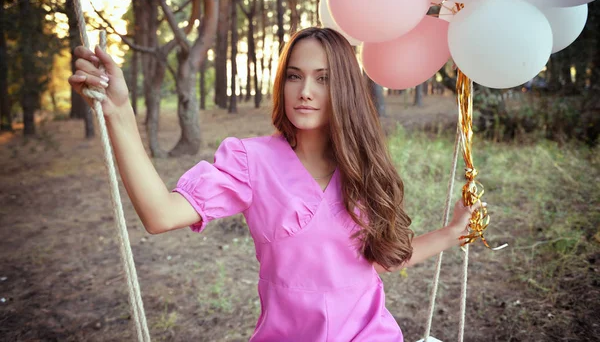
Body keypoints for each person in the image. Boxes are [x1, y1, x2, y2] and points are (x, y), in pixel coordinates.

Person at [70, 27, 483, 341]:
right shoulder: (252, 161)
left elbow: (385, 259)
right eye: (294, 76)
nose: (305, 92)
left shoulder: (363, 167)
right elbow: (159, 215)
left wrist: (450, 233)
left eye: (323, 79)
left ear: (344, 89)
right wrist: (119, 111)